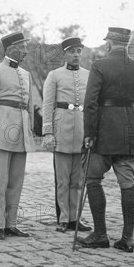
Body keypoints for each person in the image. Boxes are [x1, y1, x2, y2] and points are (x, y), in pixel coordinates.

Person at [78, 27, 134, 252]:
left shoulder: (99, 66)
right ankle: (127, 239)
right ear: (126, 44)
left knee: (92, 179)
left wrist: (89, 134)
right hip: (131, 133)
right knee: (127, 182)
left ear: (109, 43)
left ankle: (100, 235)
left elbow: (90, 103)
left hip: (104, 132)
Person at [0, 31, 34, 240]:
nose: (27, 52)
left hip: (21, 131)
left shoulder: (26, 75)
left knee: (16, 180)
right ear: (12, 49)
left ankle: (11, 223)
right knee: (1, 181)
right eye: (23, 47)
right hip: (2, 130)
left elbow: (29, 106)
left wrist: (29, 130)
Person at [42, 36, 92, 233]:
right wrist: (48, 132)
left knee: (78, 181)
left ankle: (75, 219)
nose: (76, 55)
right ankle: (63, 218)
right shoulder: (54, 75)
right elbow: (47, 105)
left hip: (81, 129)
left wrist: (92, 132)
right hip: (61, 128)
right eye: (72, 51)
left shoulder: (89, 75)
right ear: (65, 53)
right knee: (62, 180)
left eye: (79, 51)